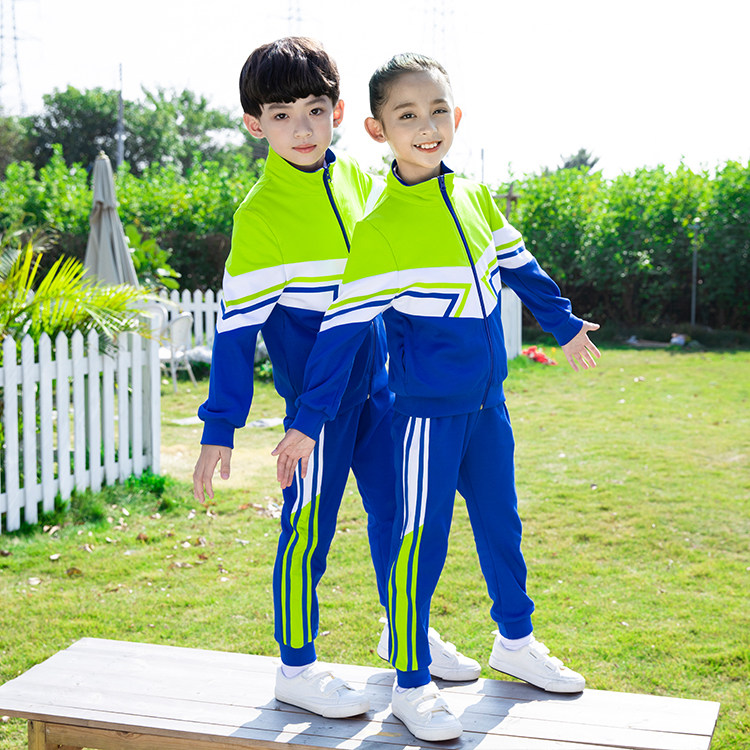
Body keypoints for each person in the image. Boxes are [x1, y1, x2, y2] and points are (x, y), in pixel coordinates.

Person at [273, 53, 601, 741]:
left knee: (501, 524)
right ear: (377, 129)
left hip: (488, 408)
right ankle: (411, 683)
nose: (426, 127)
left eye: (438, 111)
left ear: (457, 116)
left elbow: (521, 267)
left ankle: (515, 642)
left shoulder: (475, 197)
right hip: (426, 417)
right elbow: (340, 334)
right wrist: (307, 419)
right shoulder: (382, 227)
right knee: (418, 545)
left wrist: (565, 324)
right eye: (407, 115)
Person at [193, 39, 478, 722]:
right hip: (315, 413)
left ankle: (403, 635)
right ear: (254, 124)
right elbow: (235, 331)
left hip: (384, 394)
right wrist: (219, 425)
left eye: (315, 110)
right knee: (308, 533)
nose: (302, 128)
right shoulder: (260, 216)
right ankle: (295, 667)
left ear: (339, 112)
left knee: (399, 521)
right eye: (282, 114)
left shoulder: (361, 180)